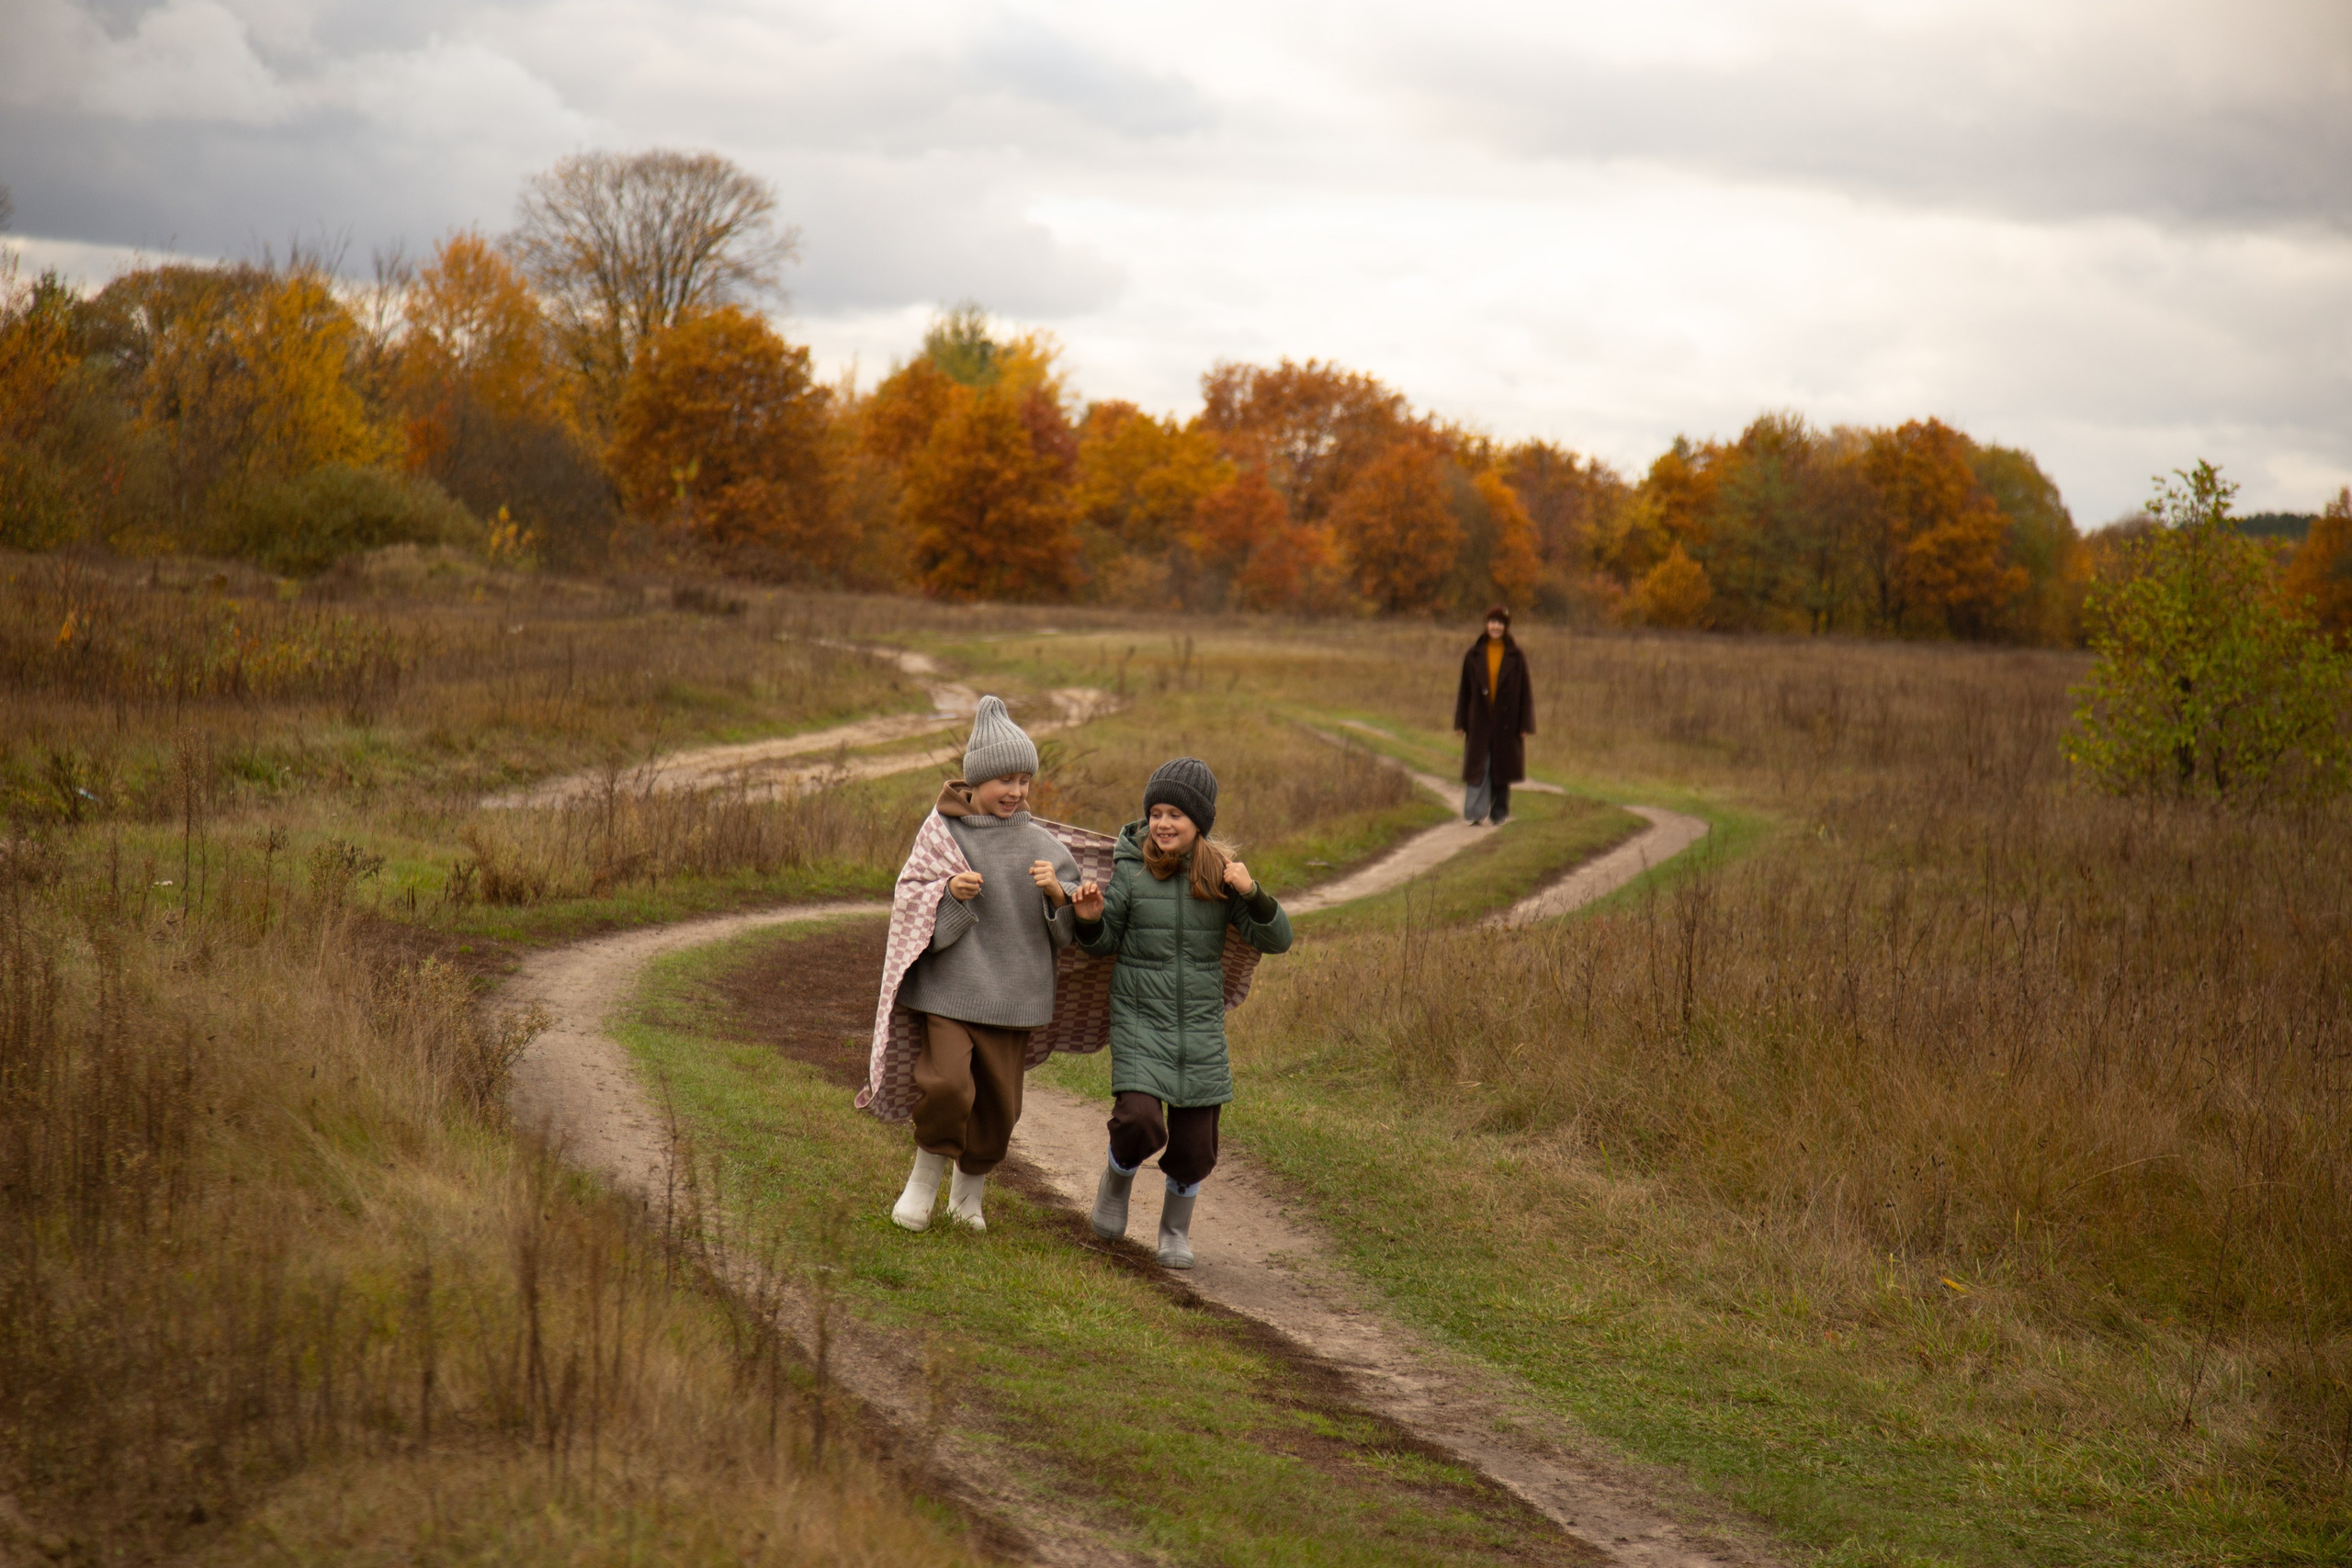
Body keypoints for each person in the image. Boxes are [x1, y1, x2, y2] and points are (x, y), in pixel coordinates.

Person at [871, 695, 1083, 1234]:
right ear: (976, 781)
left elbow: (1070, 936)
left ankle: (967, 1198)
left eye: (1024, 781)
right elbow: (910, 897)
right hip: (949, 990)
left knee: (999, 1108)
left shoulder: (1044, 846)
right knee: (946, 1086)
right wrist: (948, 893)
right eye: (1004, 780)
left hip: (1015, 996)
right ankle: (920, 1185)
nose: (1015, 791)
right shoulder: (943, 835)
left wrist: (1060, 897)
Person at [1069, 758, 1292, 1269]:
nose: (1164, 823)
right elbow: (1103, 945)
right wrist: (1087, 921)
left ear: (1199, 822)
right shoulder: (1129, 871)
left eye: (1176, 814)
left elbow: (1277, 940)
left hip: (1199, 1029)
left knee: (1196, 1147)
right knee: (1138, 1121)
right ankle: (1116, 1179)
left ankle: (1173, 1230)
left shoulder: (1219, 877)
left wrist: (1252, 893)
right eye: (1156, 812)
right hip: (1139, 1019)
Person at [1453, 605, 1535, 826]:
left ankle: (1499, 813)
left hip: (1507, 722)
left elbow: (1525, 692)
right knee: (1478, 766)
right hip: (1479, 720)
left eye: (1500, 623)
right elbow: (1464, 691)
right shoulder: (1473, 654)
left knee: (1502, 768)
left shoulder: (1516, 656)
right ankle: (1474, 813)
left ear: (1506, 627)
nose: (1496, 627)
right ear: (1486, 624)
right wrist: (1460, 721)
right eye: (1492, 622)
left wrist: (1525, 724)